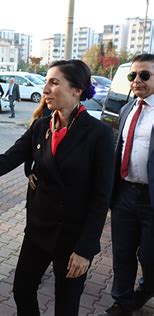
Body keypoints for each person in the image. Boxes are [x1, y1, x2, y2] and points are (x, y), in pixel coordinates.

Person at [0, 59, 115, 315]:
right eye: (46, 82)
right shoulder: (41, 126)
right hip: (38, 229)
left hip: (72, 236)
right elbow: (5, 161)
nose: (45, 90)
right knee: (22, 289)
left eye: (54, 83)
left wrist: (85, 249)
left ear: (76, 90)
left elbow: (102, 197)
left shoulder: (99, 134)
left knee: (66, 304)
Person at [100, 54, 154, 316]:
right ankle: (122, 301)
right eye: (133, 75)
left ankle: (146, 288)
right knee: (122, 253)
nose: (137, 81)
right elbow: (119, 147)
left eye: (145, 75)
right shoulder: (127, 109)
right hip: (124, 194)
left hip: (151, 198)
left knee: (150, 257)